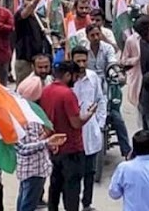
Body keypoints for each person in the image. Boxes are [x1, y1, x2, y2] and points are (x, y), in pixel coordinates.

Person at [40, 61, 98, 211]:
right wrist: (89, 114)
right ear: (67, 75)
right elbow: (76, 123)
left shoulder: (46, 91)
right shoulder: (67, 94)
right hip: (71, 148)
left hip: (54, 147)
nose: (76, 80)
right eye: (75, 76)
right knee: (71, 189)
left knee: (55, 185)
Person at [15, 84, 67, 211]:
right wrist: (47, 142)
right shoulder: (28, 120)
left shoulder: (29, 116)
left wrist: (48, 143)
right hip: (34, 170)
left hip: (28, 169)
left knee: (24, 201)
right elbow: (24, 148)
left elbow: (35, 140)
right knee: (27, 205)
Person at [71, 46, 107, 211]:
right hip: (74, 133)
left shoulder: (93, 77)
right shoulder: (68, 80)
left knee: (90, 172)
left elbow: (100, 100)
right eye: (78, 61)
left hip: (91, 132)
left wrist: (99, 124)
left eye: (84, 60)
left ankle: (87, 204)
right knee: (74, 174)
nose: (81, 64)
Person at [14, 0, 52, 84]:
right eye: (28, 0)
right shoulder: (19, 14)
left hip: (37, 61)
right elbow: (26, 12)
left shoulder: (39, 17)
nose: (31, 2)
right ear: (23, 2)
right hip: (24, 61)